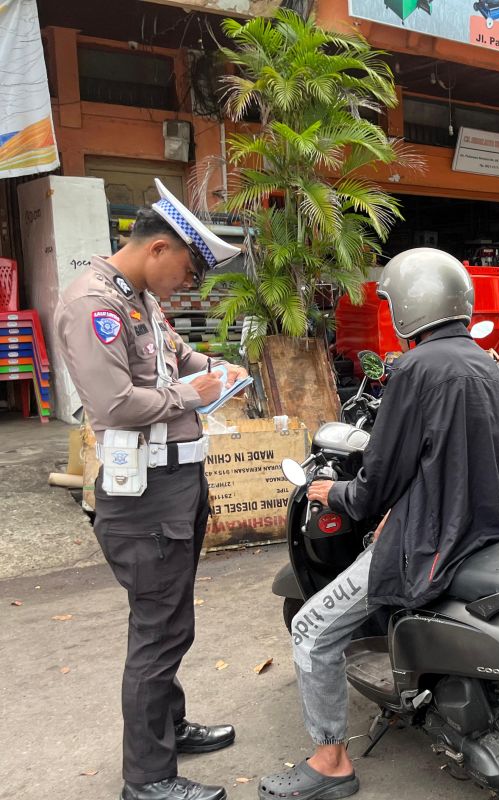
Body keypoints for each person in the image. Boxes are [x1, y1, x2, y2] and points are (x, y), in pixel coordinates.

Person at [258, 248, 499, 800]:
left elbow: (379, 477)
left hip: (431, 541)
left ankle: (329, 760)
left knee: (310, 631)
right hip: (487, 529)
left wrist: (338, 495)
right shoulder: (483, 361)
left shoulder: (415, 369)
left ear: (407, 307)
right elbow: (448, 460)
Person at [56, 180, 247, 800]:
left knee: (171, 623)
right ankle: (148, 779)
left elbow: (175, 354)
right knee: (157, 632)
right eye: (186, 269)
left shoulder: (137, 298)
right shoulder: (94, 304)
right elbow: (113, 403)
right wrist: (190, 394)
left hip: (175, 483)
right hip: (142, 497)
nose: (186, 284)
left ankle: (170, 725)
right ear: (158, 248)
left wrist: (213, 369)